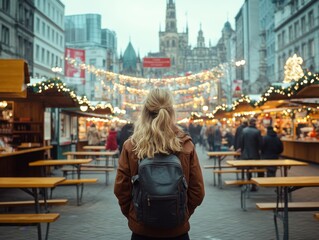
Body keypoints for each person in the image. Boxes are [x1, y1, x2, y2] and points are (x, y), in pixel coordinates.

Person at [114, 88, 205, 240]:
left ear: (145, 112)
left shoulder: (132, 146)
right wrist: (181, 213)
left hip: (142, 231)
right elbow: (198, 192)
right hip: (177, 232)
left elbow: (121, 190)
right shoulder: (185, 145)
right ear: (171, 112)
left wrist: (135, 214)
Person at [240, 117, 263, 191]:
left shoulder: (244, 130)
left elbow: (242, 143)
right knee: (256, 170)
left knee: (248, 170)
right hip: (255, 154)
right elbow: (260, 144)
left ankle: (249, 182)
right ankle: (254, 184)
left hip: (246, 154)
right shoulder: (257, 131)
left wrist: (242, 151)